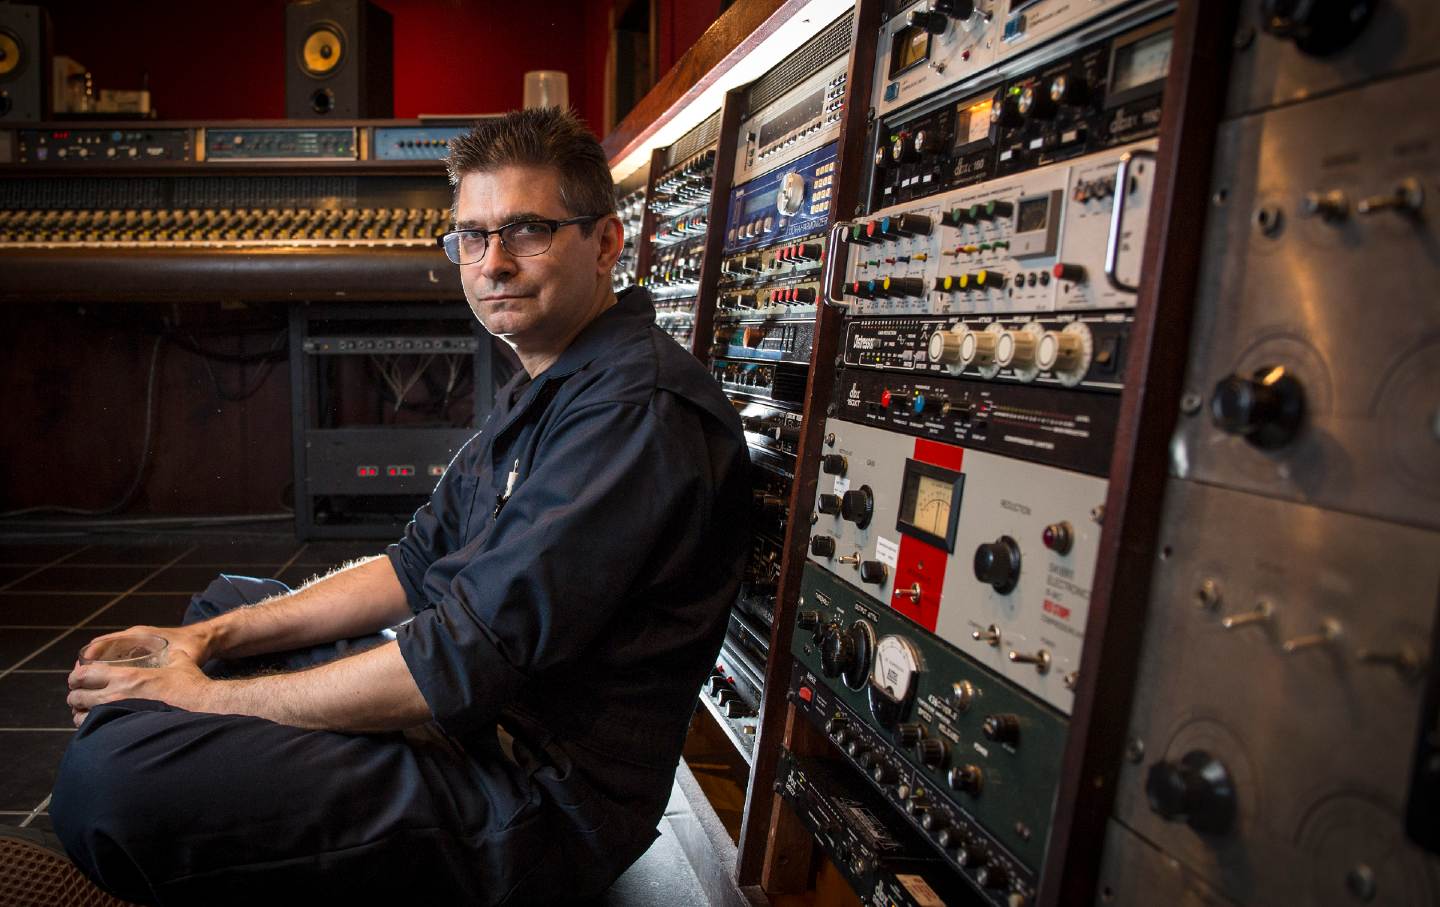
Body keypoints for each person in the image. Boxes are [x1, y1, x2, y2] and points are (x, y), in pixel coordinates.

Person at [3, 107, 751, 905]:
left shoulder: (635, 408)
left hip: (530, 799)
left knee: (114, 781)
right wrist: (201, 640)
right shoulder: (556, 377)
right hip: (468, 722)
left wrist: (205, 696)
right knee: (223, 609)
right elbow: (414, 563)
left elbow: (456, 665)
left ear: (605, 242)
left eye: (527, 231)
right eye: (472, 234)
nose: (493, 262)